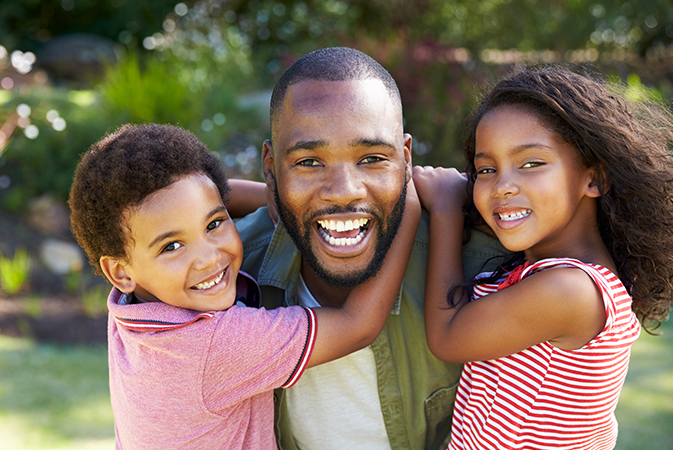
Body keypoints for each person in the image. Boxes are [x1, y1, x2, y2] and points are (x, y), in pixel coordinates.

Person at [67, 123, 421, 449]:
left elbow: (217, 194)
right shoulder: (215, 346)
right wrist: (408, 206)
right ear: (119, 270)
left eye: (214, 224)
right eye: (171, 246)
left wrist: (294, 207)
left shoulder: (130, 308)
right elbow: (357, 325)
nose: (208, 258)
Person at [233, 47, 507, 449]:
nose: (344, 191)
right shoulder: (223, 280)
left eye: (372, 158)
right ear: (271, 168)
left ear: (406, 159)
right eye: (309, 162)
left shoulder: (485, 275)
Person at [414, 67, 673, 449]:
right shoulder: (561, 272)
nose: (502, 186)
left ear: (594, 179)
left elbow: (448, 336)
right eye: (486, 169)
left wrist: (446, 210)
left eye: (531, 163)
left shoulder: (569, 290)